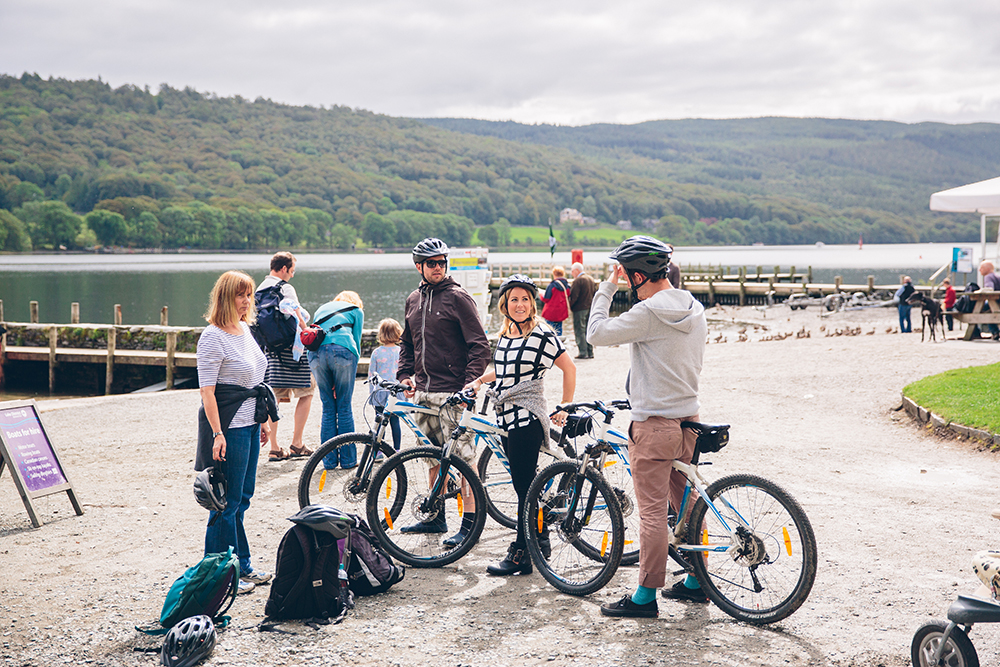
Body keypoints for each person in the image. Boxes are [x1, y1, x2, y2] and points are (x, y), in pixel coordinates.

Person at [586, 236, 708, 618]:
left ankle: (644, 596)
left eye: (627, 274)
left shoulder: (649, 312)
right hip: (690, 419)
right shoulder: (695, 306)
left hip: (655, 424)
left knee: (653, 512)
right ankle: (696, 580)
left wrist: (607, 287)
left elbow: (595, 334)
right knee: (687, 504)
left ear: (636, 275)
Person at [465, 275, 576, 575]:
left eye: (525, 299)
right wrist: (478, 380)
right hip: (506, 417)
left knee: (524, 488)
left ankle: (520, 553)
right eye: (514, 299)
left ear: (532, 303)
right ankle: (540, 539)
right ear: (504, 304)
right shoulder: (506, 335)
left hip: (527, 415)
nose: (520, 304)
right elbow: (504, 372)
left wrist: (564, 406)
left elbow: (569, 368)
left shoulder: (542, 334)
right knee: (526, 484)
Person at [398, 238, 491, 546]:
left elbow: (480, 346)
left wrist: (469, 383)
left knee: (464, 460)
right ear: (419, 267)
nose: (438, 268)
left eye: (442, 262)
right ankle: (436, 517)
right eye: (431, 263)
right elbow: (407, 344)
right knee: (432, 458)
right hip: (423, 392)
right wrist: (403, 374)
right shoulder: (413, 299)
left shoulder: (458, 298)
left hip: (454, 393)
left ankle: (470, 524)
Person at [195, 270, 279, 595]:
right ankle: (218, 572)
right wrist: (218, 434)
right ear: (225, 298)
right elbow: (207, 392)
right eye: (240, 296)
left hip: (251, 422)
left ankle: (241, 564)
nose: (247, 301)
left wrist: (264, 423)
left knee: (242, 498)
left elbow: (256, 381)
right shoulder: (212, 336)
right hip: (228, 427)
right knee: (225, 503)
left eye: (249, 295)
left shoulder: (244, 329)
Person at [256, 251, 314, 461]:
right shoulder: (285, 288)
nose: (292, 275)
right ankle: (297, 443)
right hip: (293, 349)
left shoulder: (259, 289)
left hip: (272, 350)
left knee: (274, 398)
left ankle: (274, 447)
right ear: (283, 269)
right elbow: (297, 317)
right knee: (307, 391)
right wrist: (307, 330)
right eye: (291, 271)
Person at [309, 291, 364, 470]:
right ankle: (348, 461)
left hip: (315, 355)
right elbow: (356, 342)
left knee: (328, 407)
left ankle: (329, 461)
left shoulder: (321, 308)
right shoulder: (356, 310)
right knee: (344, 406)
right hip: (343, 352)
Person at [368, 318, 404, 452]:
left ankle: (377, 451)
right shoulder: (401, 352)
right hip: (396, 392)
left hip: (380, 392)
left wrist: (372, 393)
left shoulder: (376, 352)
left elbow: (372, 375)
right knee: (395, 422)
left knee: (379, 422)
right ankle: (397, 450)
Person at [569, 262, 597, 359]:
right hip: (590, 307)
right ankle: (590, 351)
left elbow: (574, 296)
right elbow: (595, 293)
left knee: (579, 330)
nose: (572, 273)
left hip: (580, 308)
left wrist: (570, 306)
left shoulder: (578, 281)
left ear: (577, 270)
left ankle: (583, 352)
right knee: (587, 329)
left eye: (572, 271)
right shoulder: (590, 279)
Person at [540, 266, 570, 335]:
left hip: (550, 312)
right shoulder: (567, 286)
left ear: (554, 274)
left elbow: (546, 298)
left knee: (548, 330)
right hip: (561, 312)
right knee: (559, 331)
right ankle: (559, 344)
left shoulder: (552, 285)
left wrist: (541, 295)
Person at [977, 261, 1000, 340]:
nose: (980, 270)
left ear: (988, 268)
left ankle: (994, 332)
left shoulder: (988, 277)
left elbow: (989, 289)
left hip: (995, 302)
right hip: (998, 302)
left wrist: (978, 292)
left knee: (978, 308)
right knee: (989, 309)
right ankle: (995, 331)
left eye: (982, 268)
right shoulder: (997, 276)